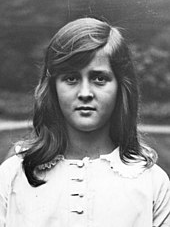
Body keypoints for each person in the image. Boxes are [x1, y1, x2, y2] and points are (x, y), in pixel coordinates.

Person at [0, 17, 170, 227]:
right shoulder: (13, 175)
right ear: (53, 87)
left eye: (99, 78)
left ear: (120, 87)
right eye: (71, 78)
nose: (85, 93)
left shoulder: (152, 182)